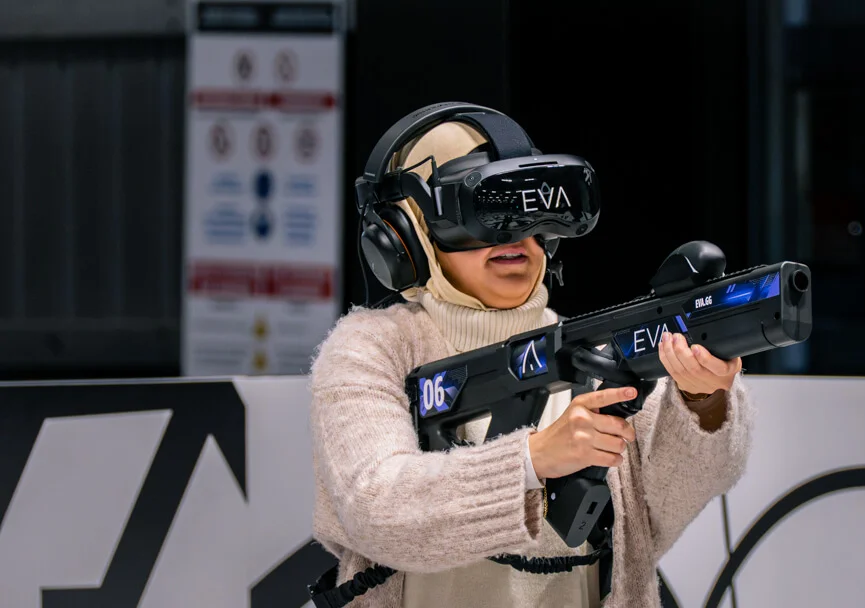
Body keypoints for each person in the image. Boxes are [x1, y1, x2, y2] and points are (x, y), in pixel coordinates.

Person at [308, 108, 756, 608]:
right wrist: (533, 459)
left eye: (530, 211)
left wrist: (701, 400)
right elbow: (376, 507)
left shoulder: (597, 352)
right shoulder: (370, 349)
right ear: (407, 238)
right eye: (481, 214)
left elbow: (669, 501)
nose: (512, 233)